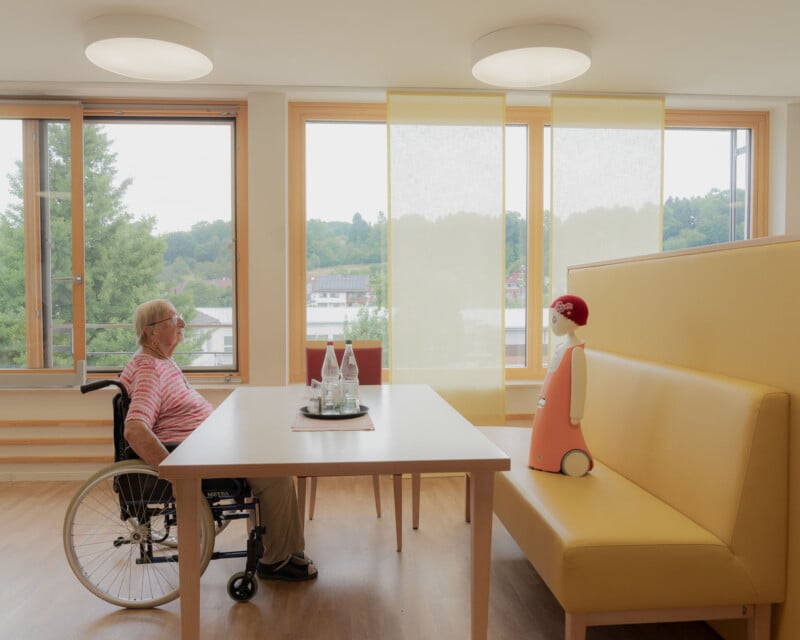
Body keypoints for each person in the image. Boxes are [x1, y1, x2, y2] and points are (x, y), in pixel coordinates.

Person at [120, 299, 317, 582]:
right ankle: (279, 560)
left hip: (207, 448)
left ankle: (282, 548)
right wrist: (175, 474)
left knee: (272, 445)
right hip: (196, 457)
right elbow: (135, 429)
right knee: (276, 473)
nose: (183, 324)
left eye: (179, 317)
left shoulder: (161, 361)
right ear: (151, 332)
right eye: (174, 320)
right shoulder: (150, 369)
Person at [528, 294, 594, 477]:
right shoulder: (561, 347)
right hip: (550, 404)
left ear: (572, 321)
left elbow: (579, 385)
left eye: (555, 319)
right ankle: (544, 457)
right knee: (545, 429)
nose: (552, 323)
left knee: (557, 432)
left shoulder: (576, 352)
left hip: (563, 411)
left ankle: (562, 457)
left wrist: (576, 414)